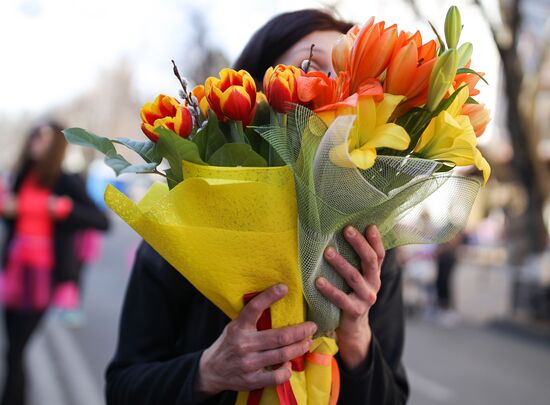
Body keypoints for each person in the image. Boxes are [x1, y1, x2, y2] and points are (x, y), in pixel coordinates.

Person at [106, 9, 409, 404]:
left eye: (348, 79)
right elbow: (123, 388)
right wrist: (206, 371)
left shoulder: (370, 244)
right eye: (312, 65)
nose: (334, 89)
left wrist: (356, 337)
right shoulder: (187, 220)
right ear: (256, 80)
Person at [0, 121, 110, 405]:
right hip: (13, 270)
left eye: (44, 139)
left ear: (56, 146)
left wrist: (64, 208)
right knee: (12, 346)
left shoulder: (65, 180)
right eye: (34, 136)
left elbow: (101, 221)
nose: (36, 142)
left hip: (44, 275)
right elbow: (15, 217)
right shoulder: (23, 176)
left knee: (16, 348)